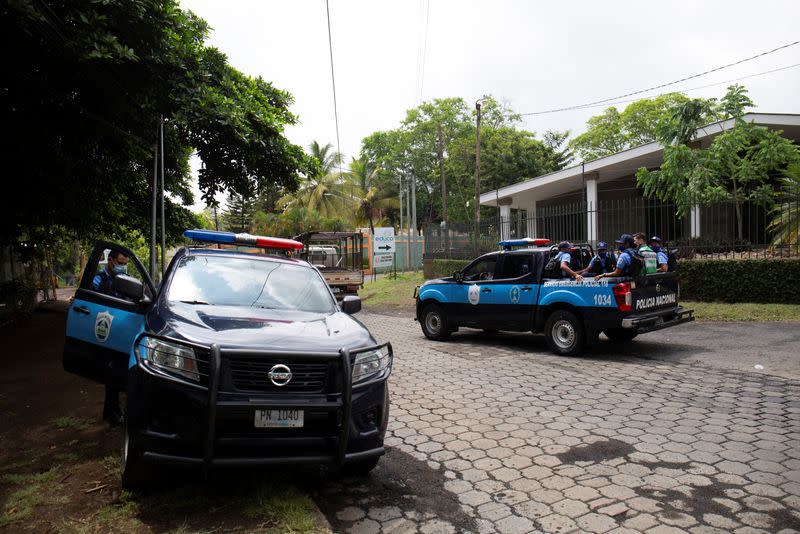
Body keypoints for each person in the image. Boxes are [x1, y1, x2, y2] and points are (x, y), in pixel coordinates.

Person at [91, 249, 129, 426]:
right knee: (111, 373)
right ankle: (113, 414)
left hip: (119, 332)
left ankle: (112, 412)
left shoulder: (124, 281)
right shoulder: (99, 279)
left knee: (116, 373)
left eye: (125, 264)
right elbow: (90, 301)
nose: (123, 267)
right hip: (103, 332)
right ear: (111, 260)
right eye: (120, 263)